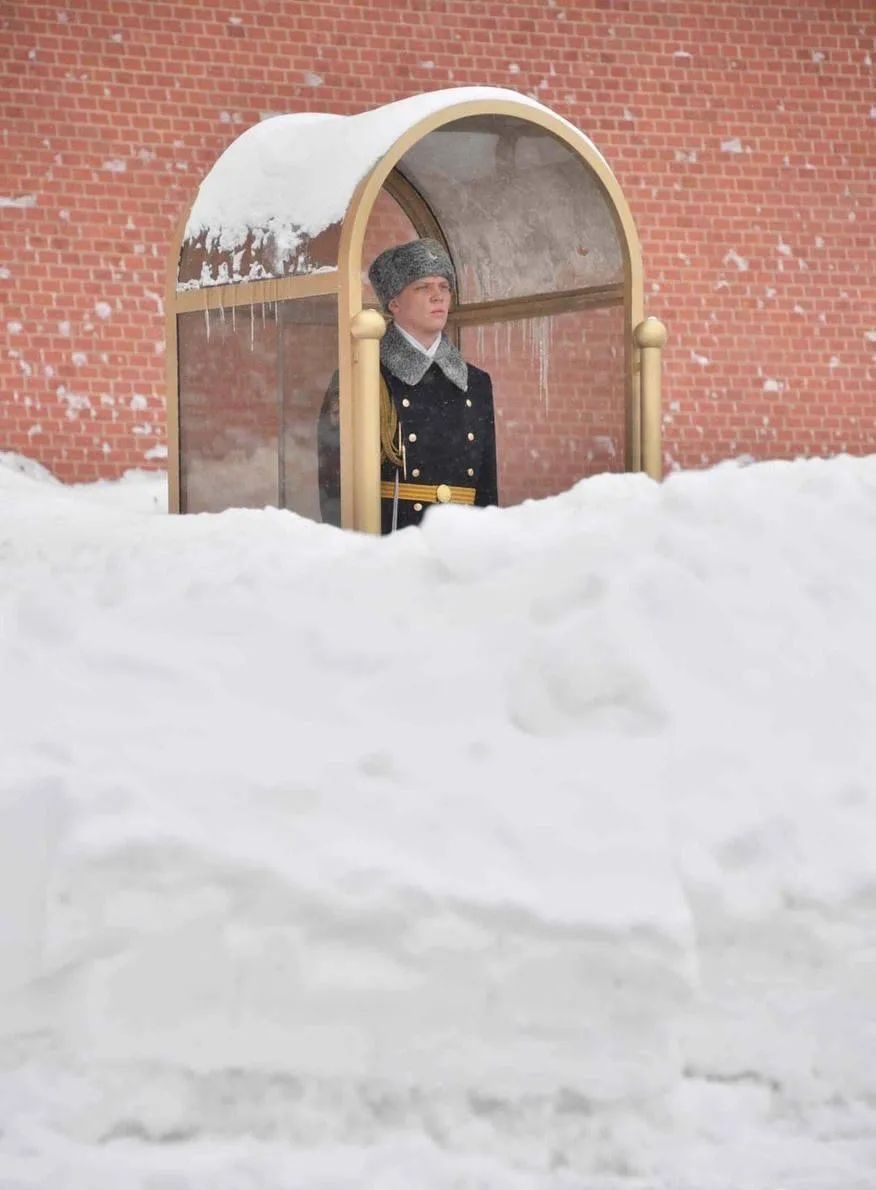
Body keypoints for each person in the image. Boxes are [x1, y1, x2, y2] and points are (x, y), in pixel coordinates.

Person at [318, 238, 498, 532]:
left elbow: (486, 487)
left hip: (462, 541)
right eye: (423, 287)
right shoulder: (364, 375)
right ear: (394, 302)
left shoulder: (475, 382)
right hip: (393, 543)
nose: (438, 296)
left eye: (444, 287)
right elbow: (335, 479)